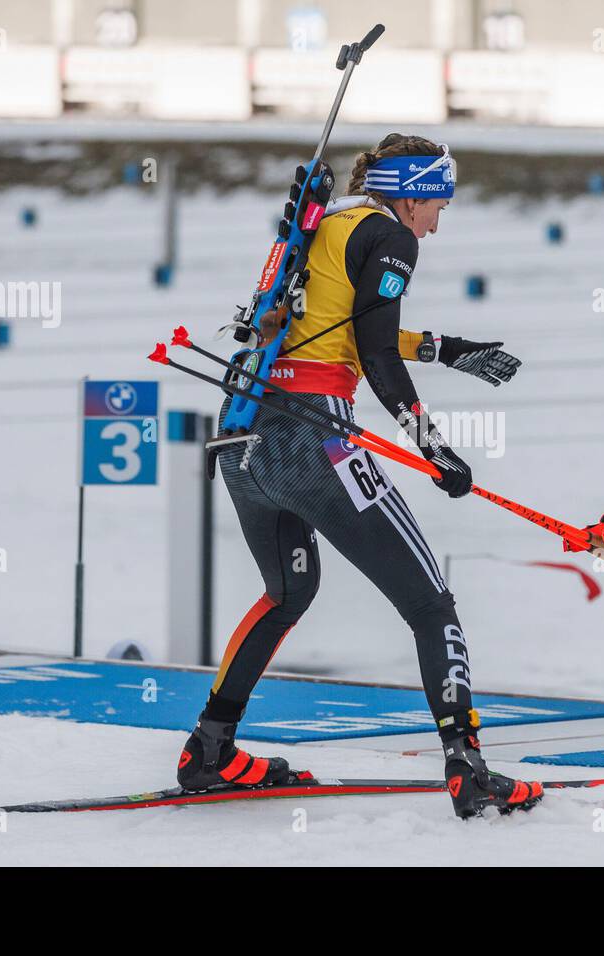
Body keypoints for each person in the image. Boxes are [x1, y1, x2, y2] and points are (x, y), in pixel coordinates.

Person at [176, 133, 541, 818]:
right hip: (315, 441)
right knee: (430, 604)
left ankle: (210, 749)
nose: (438, 219)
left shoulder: (328, 221)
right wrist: (434, 447)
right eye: (438, 201)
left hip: (244, 434)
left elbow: (333, 325)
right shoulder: (394, 239)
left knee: (287, 594)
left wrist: (448, 348)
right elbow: (373, 354)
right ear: (410, 193)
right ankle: (467, 763)